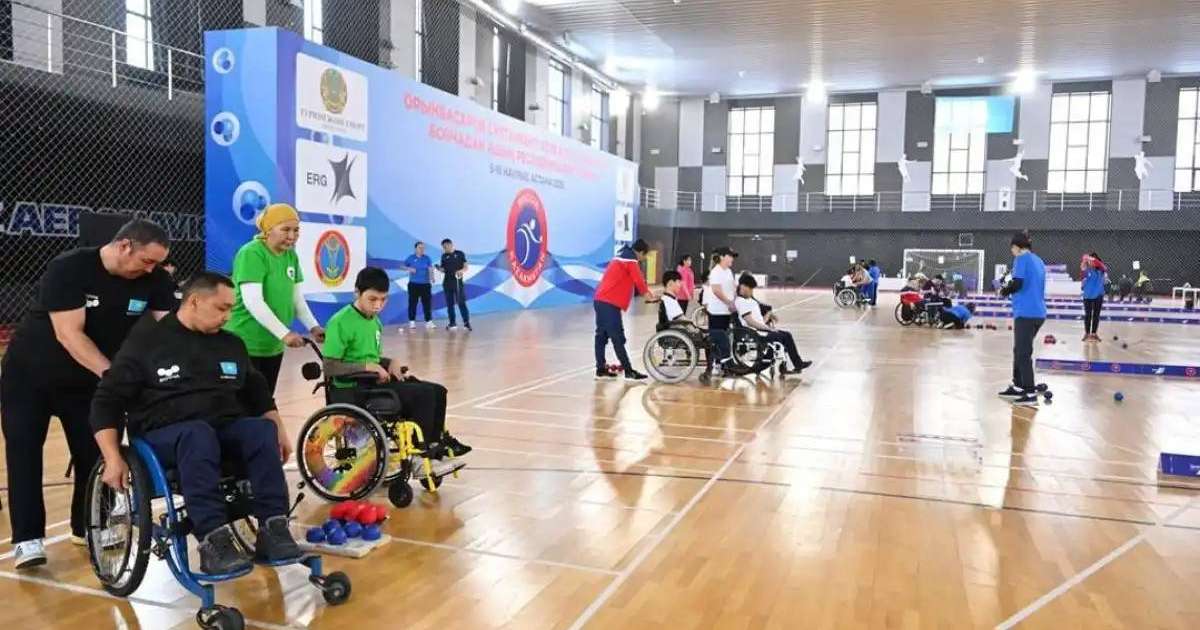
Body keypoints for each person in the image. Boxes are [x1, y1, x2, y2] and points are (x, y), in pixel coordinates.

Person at [90, 272, 302, 575]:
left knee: (259, 430)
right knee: (197, 434)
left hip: (219, 428)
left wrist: (277, 429)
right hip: (164, 436)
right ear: (194, 301)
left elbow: (257, 393)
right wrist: (112, 458)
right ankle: (213, 539)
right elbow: (106, 401)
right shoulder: (146, 343)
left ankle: (274, 527)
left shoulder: (230, 344)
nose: (228, 317)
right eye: (221, 308)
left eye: (231, 309)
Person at [1, 219, 174, 569]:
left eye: (156, 263)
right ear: (125, 246)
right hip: (29, 376)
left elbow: (171, 326)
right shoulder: (70, 268)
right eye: (147, 261)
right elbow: (70, 334)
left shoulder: (153, 279)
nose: (152, 269)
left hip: (86, 383)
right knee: (24, 452)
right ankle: (28, 539)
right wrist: (113, 376)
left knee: (93, 453)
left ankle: (86, 527)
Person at [322, 267, 472, 463]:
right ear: (357, 293)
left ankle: (435, 445)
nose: (378, 305)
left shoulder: (374, 321)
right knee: (422, 395)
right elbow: (330, 367)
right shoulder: (340, 322)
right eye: (373, 299)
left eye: (383, 300)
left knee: (437, 391)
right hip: (354, 390)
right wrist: (367, 367)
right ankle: (418, 454)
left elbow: (371, 357)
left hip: (374, 382)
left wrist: (389, 362)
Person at [225, 203, 324, 393]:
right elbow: (253, 301)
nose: (292, 236)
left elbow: (296, 299)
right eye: (285, 229)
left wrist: (313, 326)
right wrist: (285, 334)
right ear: (268, 230)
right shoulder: (252, 253)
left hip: (272, 345)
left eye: (296, 230)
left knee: (264, 400)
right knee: (242, 404)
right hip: (245, 343)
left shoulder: (290, 256)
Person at [999, 231, 1046, 407]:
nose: (1012, 251)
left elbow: (1018, 283)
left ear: (1017, 247)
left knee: (1023, 353)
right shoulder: (1039, 261)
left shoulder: (1021, 259)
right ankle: (1018, 387)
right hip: (1038, 312)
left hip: (1026, 312)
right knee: (1019, 350)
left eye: (1012, 247)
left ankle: (1029, 392)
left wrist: (1004, 290)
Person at [593, 239, 652, 380]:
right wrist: (647, 295)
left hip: (601, 300)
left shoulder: (621, 256)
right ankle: (628, 370)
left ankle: (600, 369)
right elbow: (638, 279)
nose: (643, 259)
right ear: (640, 252)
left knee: (601, 336)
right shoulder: (630, 260)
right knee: (617, 337)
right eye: (644, 256)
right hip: (609, 303)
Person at [734, 274, 811, 375]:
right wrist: (768, 329)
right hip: (754, 333)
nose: (752, 291)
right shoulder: (741, 302)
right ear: (743, 287)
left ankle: (797, 363)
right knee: (781, 337)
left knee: (786, 335)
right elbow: (750, 322)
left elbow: (760, 321)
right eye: (751, 289)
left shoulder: (750, 300)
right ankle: (788, 363)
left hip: (761, 330)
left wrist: (769, 315)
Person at [704, 247, 739, 371]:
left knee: (725, 338)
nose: (732, 259)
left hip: (726, 311)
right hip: (717, 311)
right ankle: (712, 365)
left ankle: (723, 363)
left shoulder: (728, 271)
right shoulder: (716, 271)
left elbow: (733, 287)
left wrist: (735, 299)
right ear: (723, 257)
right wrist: (728, 302)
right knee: (716, 339)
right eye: (730, 256)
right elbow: (716, 290)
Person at [436, 239, 471, 331]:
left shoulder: (460, 254)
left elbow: (466, 266)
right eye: (443, 247)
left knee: (461, 303)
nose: (444, 249)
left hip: (457, 282)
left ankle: (466, 323)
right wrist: (439, 269)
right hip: (447, 283)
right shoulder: (444, 256)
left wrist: (461, 271)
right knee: (449, 304)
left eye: (445, 247)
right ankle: (452, 323)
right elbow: (444, 269)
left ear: (450, 244)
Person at [404, 241, 435, 330]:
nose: (422, 250)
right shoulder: (411, 258)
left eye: (423, 248)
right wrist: (409, 268)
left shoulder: (427, 258)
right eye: (420, 248)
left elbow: (430, 268)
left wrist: (432, 277)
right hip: (413, 284)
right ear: (416, 248)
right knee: (413, 303)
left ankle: (428, 321)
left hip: (425, 284)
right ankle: (412, 321)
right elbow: (403, 266)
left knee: (427, 303)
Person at [1080, 252, 1108, 341]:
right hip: (1087, 295)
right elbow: (1082, 266)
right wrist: (1086, 259)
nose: (1091, 263)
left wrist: (1094, 260)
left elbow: (1105, 268)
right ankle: (1087, 333)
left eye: (1092, 261)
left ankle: (1094, 333)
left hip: (1098, 295)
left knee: (1096, 315)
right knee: (1088, 315)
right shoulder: (1086, 270)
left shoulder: (1101, 270)